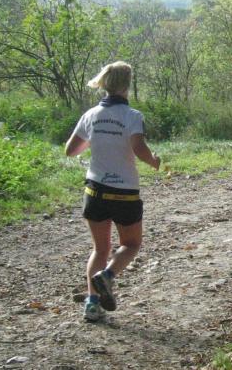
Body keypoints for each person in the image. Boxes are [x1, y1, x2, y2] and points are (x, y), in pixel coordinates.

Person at [64, 61, 161, 322]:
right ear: (127, 85)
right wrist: (154, 161)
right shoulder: (132, 116)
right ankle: (107, 276)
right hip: (124, 193)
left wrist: (98, 141)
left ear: (105, 84)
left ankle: (91, 305)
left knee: (100, 249)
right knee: (131, 244)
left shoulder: (91, 114)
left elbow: (70, 150)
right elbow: (139, 148)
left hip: (95, 191)